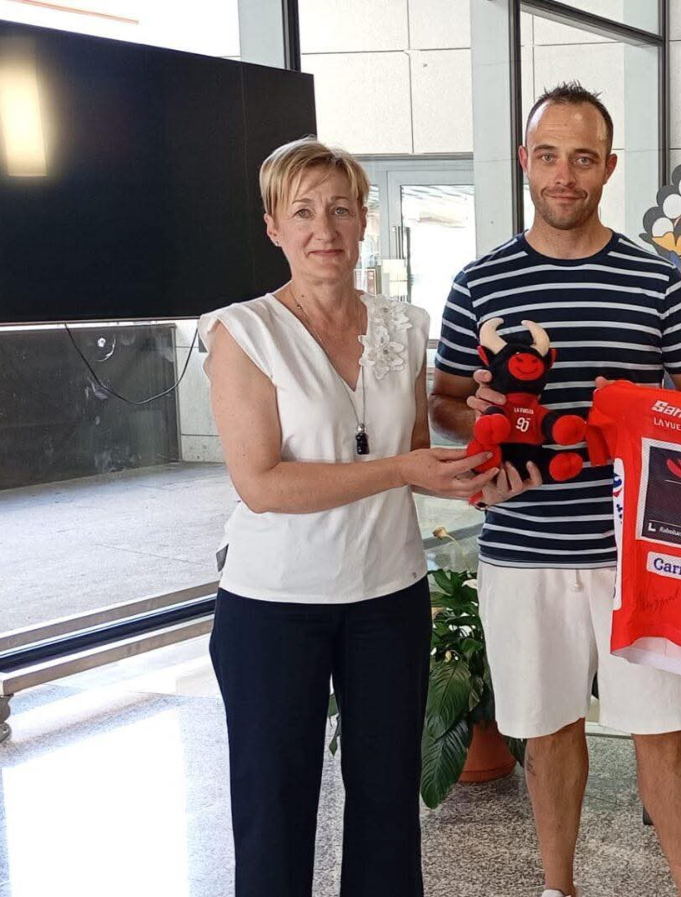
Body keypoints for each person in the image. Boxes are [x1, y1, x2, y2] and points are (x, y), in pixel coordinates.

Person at [429, 83, 681, 897]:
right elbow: (443, 401)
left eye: (583, 158)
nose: (565, 175)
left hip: (641, 552)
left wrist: (641, 419)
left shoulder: (657, 279)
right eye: (550, 156)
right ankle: (558, 888)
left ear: (609, 167)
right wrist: (477, 417)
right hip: (522, 547)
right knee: (547, 732)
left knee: (663, 730)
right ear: (525, 161)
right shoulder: (479, 282)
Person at [200, 137, 505, 897]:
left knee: (388, 809)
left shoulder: (404, 325)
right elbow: (262, 484)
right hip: (273, 605)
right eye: (302, 211)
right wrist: (401, 470)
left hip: (387, 596)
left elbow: (413, 452)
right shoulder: (242, 333)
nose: (324, 229)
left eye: (340, 209)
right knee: (274, 811)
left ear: (365, 219)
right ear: (273, 226)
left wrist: (477, 471)